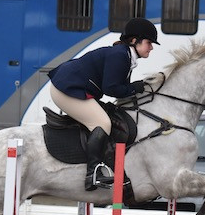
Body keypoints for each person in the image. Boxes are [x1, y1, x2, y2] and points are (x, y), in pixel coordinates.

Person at [48, 17, 157, 190]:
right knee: (102, 122)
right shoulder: (120, 56)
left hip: (72, 87)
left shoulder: (126, 55)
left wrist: (131, 89)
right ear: (134, 41)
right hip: (66, 89)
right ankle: (93, 173)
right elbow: (111, 89)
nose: (151, 47)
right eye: (149, 42)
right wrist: (133, 88)